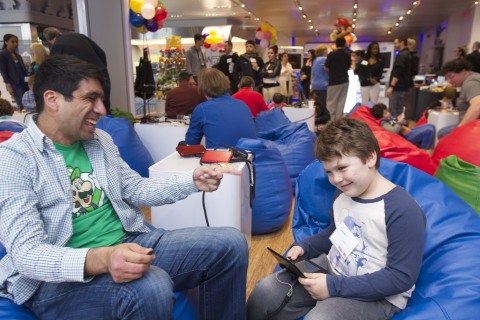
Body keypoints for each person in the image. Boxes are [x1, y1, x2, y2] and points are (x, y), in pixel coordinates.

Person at [0, 55, 249, 319]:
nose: (102, 110)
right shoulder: (13, 159)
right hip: (57, 283)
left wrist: (191, 180)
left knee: (231, 243)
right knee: (150, 286)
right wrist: (103, 258)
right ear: (53, 100)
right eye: (90, 99)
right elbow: (28, 254)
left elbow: (135, 188)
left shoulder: (100, 140)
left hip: (127, 242)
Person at [247, 117, 425, 320]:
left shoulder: (402, 210)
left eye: (342, 168)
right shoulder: (342, 194)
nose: (336, 180)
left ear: (370, 158)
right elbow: (334, 233)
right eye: (329, 172)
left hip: (376, 296)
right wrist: (306, 246)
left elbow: (400, 277)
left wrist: (332, 286)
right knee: (265, 290)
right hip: (332, 270)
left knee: (321, 318)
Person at [43, 27, 112, 113]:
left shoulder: (57, 46)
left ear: (50, 40)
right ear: (59, 33)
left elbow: (53, 70)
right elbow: (101, 52)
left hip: (85, 81)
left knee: (89, 113)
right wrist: (101, 68)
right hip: (102, 75)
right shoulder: (79, 36)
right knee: (104, 109)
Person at [186, 68, 257, 148]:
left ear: (202, 88)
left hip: (221, 158)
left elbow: (191, 144)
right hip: (250, 157)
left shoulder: (202, 109)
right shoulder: (242, 105)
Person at [438, 58, 480, 138]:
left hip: (474, 128)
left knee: (443, 134)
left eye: (451, 77)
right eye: (447, 79)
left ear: (463, 72)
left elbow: (478, 104)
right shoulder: (475, 77)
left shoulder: (470, 83)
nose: (449, 81)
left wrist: (460, 128)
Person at [370, 103, 435, 150]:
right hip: (405, 137)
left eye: (387, 111)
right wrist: (399, 122)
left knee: (431, 126)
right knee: (429, 130)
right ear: (380, 118)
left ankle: (424, 148)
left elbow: (395, 123)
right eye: (385, 113)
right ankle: (423, 151)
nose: (389, 113)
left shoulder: (388, 118)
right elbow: (393, 131)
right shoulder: (383, 123)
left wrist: (401, 121)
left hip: (406, 132)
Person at [325, 37, 351, 120]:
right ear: (344, 44)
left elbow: (326, 68)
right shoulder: (347, 54)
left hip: (334, 81)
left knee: (331, 103)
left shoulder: (332, 54)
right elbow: (348, 67)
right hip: (345, 80)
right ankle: (338, 121)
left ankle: (330, 123)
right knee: (341, 102)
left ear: (336, 44)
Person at [0, 34, 29, 111]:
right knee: (22, 105)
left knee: (28, 104)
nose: (15, 44)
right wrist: (8, 85)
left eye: (16, 42)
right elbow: (3, 71)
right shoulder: (2, 54)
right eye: (12, 42)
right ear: (6, 42)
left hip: (25, 83)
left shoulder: (18, 55)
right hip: (15, 84)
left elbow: (24, 71)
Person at [386, 36, 412, 118]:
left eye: (396, 43)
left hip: (398, 87)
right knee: (398, 109)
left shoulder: (402, 55)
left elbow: (398, 72)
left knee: (394, 110)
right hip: (402, 86)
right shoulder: (407, 54)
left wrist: (391, 86)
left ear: (402, 43)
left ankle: (394, 128)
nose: (394, 45)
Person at [311, 45, 329, 115]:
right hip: (323, 85)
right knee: (323, 104)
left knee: (317, 104)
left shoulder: (315, 60)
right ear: (324, 51)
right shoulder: (324, 59)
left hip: (314, 85)